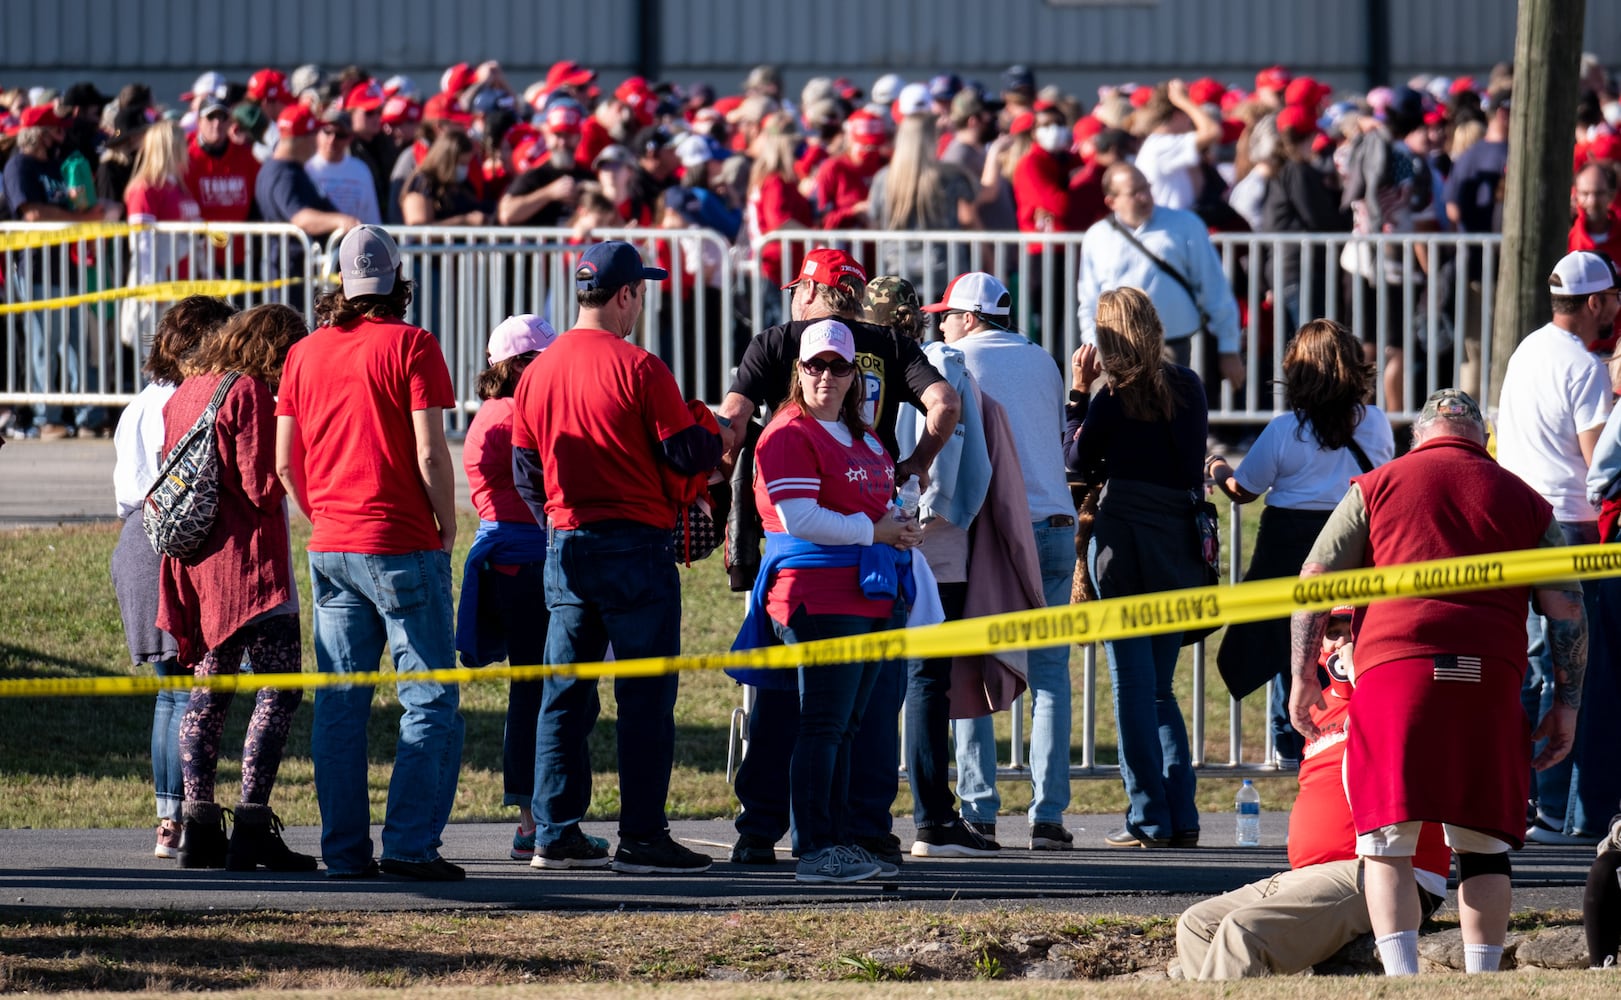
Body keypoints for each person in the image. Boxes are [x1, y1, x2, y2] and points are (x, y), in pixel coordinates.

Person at [1289, 388, 1586, 977]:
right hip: (1488, 683)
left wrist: (1302, 679)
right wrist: (1566, 706)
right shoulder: (1526, 502)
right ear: (1482, 440)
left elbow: (1314, 580)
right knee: (1484, 849)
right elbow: (1568, 610)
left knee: (1386, 841)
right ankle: (1480, 979)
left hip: (1396, 681)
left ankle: (1403, 979)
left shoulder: (1377, 487)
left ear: (1417, 437)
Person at [715, 248, 960, 868]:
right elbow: (945, 405)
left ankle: (776, 829)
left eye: (798, 287)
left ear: (813, 291)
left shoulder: (778, 342)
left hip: (836, 559)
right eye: (816, 367)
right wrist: (916, 467)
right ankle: (842, 831)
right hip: (825, 558)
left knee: (799, 705)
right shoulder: (887, 350)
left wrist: (718, 486)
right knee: (849, 710)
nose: (827, 374)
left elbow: (734, 421)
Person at [509, 240, 723, 875]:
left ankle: (554, 830)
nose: (642, 304)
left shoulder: (538, 370)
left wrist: (553, 516)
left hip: (567, 542)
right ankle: (642, 836)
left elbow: (524, 468)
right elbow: (687, 456)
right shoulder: (640, 367)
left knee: (564, 695)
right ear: (625, 294)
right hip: (636, 546)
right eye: (641, 293)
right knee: (646, 698)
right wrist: (709, 429)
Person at [274, 225, 466, 882]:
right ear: (397, 282)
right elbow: (429, 451)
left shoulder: (304, 352)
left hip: (331, 542)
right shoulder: (412, 344)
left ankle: (344, 852)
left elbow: (283, 459)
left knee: (341, 704)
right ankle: (410, 846)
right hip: (398, 538)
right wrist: (447, 520)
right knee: (430, 698)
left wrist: (319, 513)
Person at [739, 319, 922, 882]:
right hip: (816, 595)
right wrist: (879, 532)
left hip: (870, 593)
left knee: (845, 725)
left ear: (854, 376)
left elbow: (881, 499)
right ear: (798, 371)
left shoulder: (863, 435)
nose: (825, 375)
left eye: (837, 366)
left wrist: (901, 523)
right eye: (814, 365)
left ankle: (836, 840)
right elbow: (800, 517)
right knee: (821, 724)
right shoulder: (788, 432)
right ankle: (816, 847)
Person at [1177, 608, 1453, 979]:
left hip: (1385, 869)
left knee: (1242, 933)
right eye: (1331, 632)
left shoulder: (1404, 689)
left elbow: (1411, 757)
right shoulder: (1317, 708)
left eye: (1350, 631)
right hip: (1309, 875)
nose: (1340, 642)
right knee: (1196, 924)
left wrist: (1365, 676)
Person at [155, 303, 316, 874]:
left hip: (200, 568)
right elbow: (262, 487)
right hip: (251, 569)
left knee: (208, 695)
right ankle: (251, 824)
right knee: (278, 689)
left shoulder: (186, 392)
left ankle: (198, 828)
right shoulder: (246, 393)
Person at [927, 272, 1078, 850]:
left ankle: (980, 809)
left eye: (947, 313)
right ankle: (1048, 817)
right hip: (1057, 525)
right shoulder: (1043, 360)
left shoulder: (953, 358)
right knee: (1050, 678)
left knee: (971, 666)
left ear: (969, 318)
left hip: (996, 531)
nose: (940, 322)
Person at [1207, 319, 1393, 765]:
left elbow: (1243, 490)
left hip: (1288, 549)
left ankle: (1290, 744)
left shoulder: (1284, 430)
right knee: (1345, 644)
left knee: (1286, 644)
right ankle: (1342, 737)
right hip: (1353, 546)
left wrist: (1216, 466)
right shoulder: (1377, 424)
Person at [1066, 287, 1209, 849]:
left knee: (1132, 687)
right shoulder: (1188, 387)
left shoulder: (1111, 399)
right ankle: (1183, 814)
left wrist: (1079, 393)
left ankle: (1150, 817)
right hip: (1176, 542)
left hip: (1122, 543)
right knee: (1160, 689)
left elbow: (1074, 461)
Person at [110, 295, 237, 861]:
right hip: (174, 542)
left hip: (136, 537)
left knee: (169, 694)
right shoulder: (194, 399)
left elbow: (123, 492)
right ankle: (182, 818)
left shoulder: (138, 403)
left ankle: (168, 822)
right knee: (185, 693)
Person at [1496, 250, 1615, 846]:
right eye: (1614, 296)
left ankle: (1510, 796)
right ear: (1595, 302)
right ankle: (1555, 811)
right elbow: (1601, 467)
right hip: (1570, 526)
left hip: (1515, 519)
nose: (1617, 306)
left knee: (1524, 666)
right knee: (1570, 671)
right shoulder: (1585, 367)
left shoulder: (1527, 350)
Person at [452, 314, 571, 864]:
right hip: (521, 562)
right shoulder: (511, 416)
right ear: (517, 366)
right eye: (543, 361)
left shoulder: (498, 411)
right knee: (540, 692)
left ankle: (535, 817)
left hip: (515, 560)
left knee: (537, 691)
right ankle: (536, 820)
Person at [1076, 163, 1245, 393]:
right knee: (1117, 424)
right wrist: (1093, 347)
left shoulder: (1186, 224)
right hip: (1115, 350)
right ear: (1111, 201)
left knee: (1170, 419)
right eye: (1134, 192)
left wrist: (1229, 348)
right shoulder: (1097, 236)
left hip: (1172, 348)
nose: (1144, 197)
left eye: (1146, 188)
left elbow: (1214, 288)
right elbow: (1089, 301)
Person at [4, 102, 119, 439]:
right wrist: (84, 219)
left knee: (76, 344)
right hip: (36, 268)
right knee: (45, 343)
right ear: (39, 133)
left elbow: (67, 205)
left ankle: (89, 416)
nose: (61, 134)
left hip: (67, 267)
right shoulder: (19, 166)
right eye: (55, 128)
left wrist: (87, 208)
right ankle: (46, 417)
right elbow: (33, 214)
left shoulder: (56, 165)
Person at [867, 113, 976, 292]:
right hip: (944, 271)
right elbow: (973, 207)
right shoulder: (949, 176)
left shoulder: (883, 178)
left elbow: (874, 221)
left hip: (895, 273)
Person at [253, 105, 360, 279]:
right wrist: (342, 221)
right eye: (316, 133)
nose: (318, 140)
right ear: (302, 138)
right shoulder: (283, 174)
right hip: (289, 274)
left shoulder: (289, 170)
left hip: (295, 269)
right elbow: (300, 217)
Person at [1132, 81, 1223, 212]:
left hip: (1177, 223)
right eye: (1187, 115)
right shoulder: (1161, 145)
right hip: (1168, 226)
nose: (1190, 122)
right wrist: (1184, 102)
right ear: (1178, 115)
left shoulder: (1161, 143)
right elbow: (1213, 132)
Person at [304, 108, 383, 225]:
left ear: (350, 138)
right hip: (316, 241)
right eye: (327, 131)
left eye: (340, 135)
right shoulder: (307, 168)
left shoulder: (360, 170)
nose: (332, 139)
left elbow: (371, 217)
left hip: (352, 239)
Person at [399, 131, 488, 225]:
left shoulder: (463, 184)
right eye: (461, 164)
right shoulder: (423, 182)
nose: (464, 169)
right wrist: (464, 221)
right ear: (447, 160)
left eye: (467, 164)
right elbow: (418, 227)